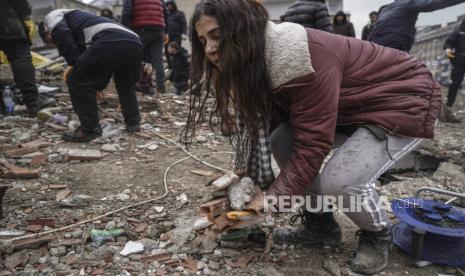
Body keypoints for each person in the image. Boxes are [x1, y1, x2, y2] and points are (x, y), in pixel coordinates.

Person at [184, 0, 441, 274]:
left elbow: (312, 145)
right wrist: (253, 184)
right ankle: (320, 224)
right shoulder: (257, 58)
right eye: (202, 41)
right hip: (350, 107)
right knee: (281, 141)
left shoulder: (297, 56)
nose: (209, 48)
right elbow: (276, 121)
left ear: (243, 28)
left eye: (217, 35)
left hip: (404, 101)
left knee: (340, 181)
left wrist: (272, 202)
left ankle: (377, 233)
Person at [39, 9, 142, 143]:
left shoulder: (51, 17)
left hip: (110, 39)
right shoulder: (79, 22)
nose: (54, 44)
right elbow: (94, 63)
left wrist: (75, 67)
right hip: (134, 41)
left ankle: (89, 130)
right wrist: (96, 85)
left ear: (46, 32)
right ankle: (133, 124)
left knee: (75, 79)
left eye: (51, 41)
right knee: (126, 85)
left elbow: (63, 34)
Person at [0, 0, 56, 116]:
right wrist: (26, 18)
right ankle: (33, 103)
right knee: (19, 55)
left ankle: (3, 106)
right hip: (5, 18)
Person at [369, 0, 465, 52]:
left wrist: (368, 46)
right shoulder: (408, 3)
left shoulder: (386, 8)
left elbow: (374, 30)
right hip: (395, 46)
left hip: (375, 45)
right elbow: (434, 3)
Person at [122, 0, 168, 95]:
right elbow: (166, 12)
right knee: (157, 59)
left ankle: (134, 85)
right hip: (158, 28)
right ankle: (160, 88)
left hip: (140, 27)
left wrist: (124, 28)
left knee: (134, 56)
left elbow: (127, 10)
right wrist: (166, 31)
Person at [443, 19, 465, 123]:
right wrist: (448, 48)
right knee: (456, 82)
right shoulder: (459, 31)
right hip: (460, 60)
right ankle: (448, 106)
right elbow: (449, 41)